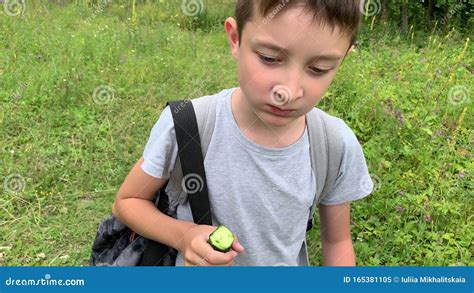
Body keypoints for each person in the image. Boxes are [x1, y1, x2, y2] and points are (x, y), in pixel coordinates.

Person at [112, 0, 373, 266]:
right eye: (269, 59)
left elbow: (337, 242)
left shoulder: (334, 144)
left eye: (318, 69)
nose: (288, 92)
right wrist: (184, 235)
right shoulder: (187, 125)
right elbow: (128, 201)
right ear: (235, 38)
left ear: (343, 59)